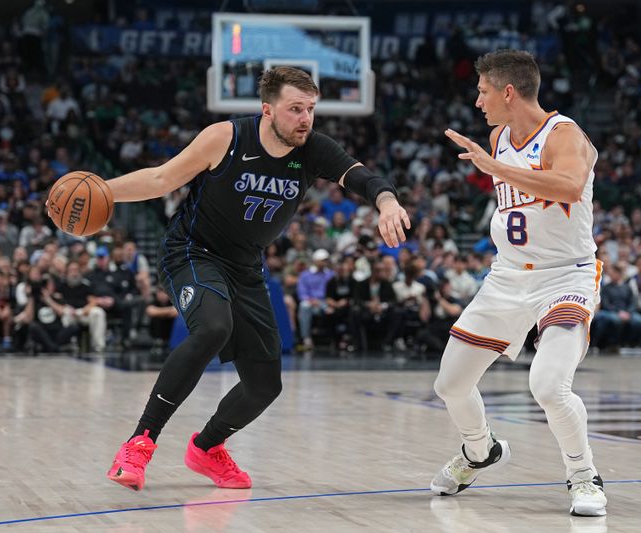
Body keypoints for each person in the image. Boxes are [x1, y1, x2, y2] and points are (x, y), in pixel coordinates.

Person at [64, 67, 410, 492]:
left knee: (265, 385)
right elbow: (161, 179)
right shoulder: (225, 138)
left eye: (311, 109)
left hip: (245, 266)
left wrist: (387, 201)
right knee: (212, 327)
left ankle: (207, 447)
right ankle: (139, 442)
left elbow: (364, 177)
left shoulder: (314, 149)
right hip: (192, 252)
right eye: (295, 109)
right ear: (268, 110)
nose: (305, 119)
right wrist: (99, 190)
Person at [432, 50, 607, 516]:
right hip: (507, 276)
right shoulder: (498, 136)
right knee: (450, 384)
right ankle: (479, 450)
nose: (477, 101)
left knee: (548, 385)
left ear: (508, 91)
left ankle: (584, 476)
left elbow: (569, 186)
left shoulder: (564, 134)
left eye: (482, 90)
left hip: (565, 275)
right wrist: (498, 164)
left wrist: (496, 169)